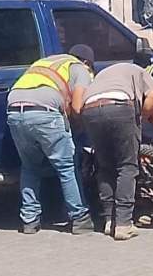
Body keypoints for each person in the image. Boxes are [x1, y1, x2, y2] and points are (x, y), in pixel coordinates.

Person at [6, 45, 96, 235]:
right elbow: (78, 107)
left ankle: (29, 221)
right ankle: (79, 217)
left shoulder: (47, 62)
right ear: (87, 63)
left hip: (14, 109)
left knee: (30, 166)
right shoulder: (80, 69)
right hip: (45, 111)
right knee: (67, 166)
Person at [81, 62, 153, 241]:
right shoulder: (141, 71)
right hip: (120, 105)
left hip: (89, 108)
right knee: (127, 166)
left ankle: (108, 221)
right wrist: (139, 119)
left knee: (105, 167)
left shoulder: (102, 75)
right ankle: (123, 223)